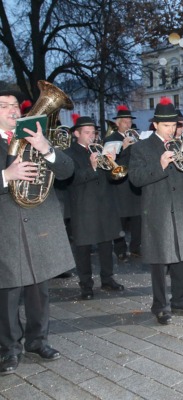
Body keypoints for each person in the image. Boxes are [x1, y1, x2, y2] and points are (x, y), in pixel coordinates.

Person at [0, 90, 75, 375]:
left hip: (39, 222)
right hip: (6, 226)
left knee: (38, 289)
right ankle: (8, 348)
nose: (12, 111)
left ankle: (37, 340)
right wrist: (7, 176)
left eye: (15, 105)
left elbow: (69, 171)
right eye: (3, 106)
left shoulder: (39, 135)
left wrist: (45, 146)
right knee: (7, 291)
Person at [129, 97, 183, 324]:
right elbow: (135, 178)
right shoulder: (141, 148)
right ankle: (160, 305)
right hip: (158, 208)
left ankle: (181, 300)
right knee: (160, 261)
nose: (171, 130)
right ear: (155, 125)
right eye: (166, 126)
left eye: (174, 125)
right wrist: (159, 165)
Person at [64, 115, 125, 300]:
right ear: (76, 133)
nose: (92, 136)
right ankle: (86, 286)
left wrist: (113, 162)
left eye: (93, 132)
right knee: (83, 248)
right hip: (83, 206)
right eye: (87, 132)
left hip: (104, 203)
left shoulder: (101, 150)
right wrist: (92, 166)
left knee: (107, 243)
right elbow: (71, 179)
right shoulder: (69, 154)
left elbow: (113, 177)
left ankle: (107, 279)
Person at [104, 105, 142, 261]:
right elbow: (112, 164)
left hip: (134, 183)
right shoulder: (110, 140)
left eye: (129, 122)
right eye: (125, 122)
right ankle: (120, 250)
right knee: (120, 220)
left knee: (137, 219)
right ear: (118, 123)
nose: (128, 124)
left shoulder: (135, 139)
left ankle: (135, 247)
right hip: (119, 185)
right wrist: (125, 148)